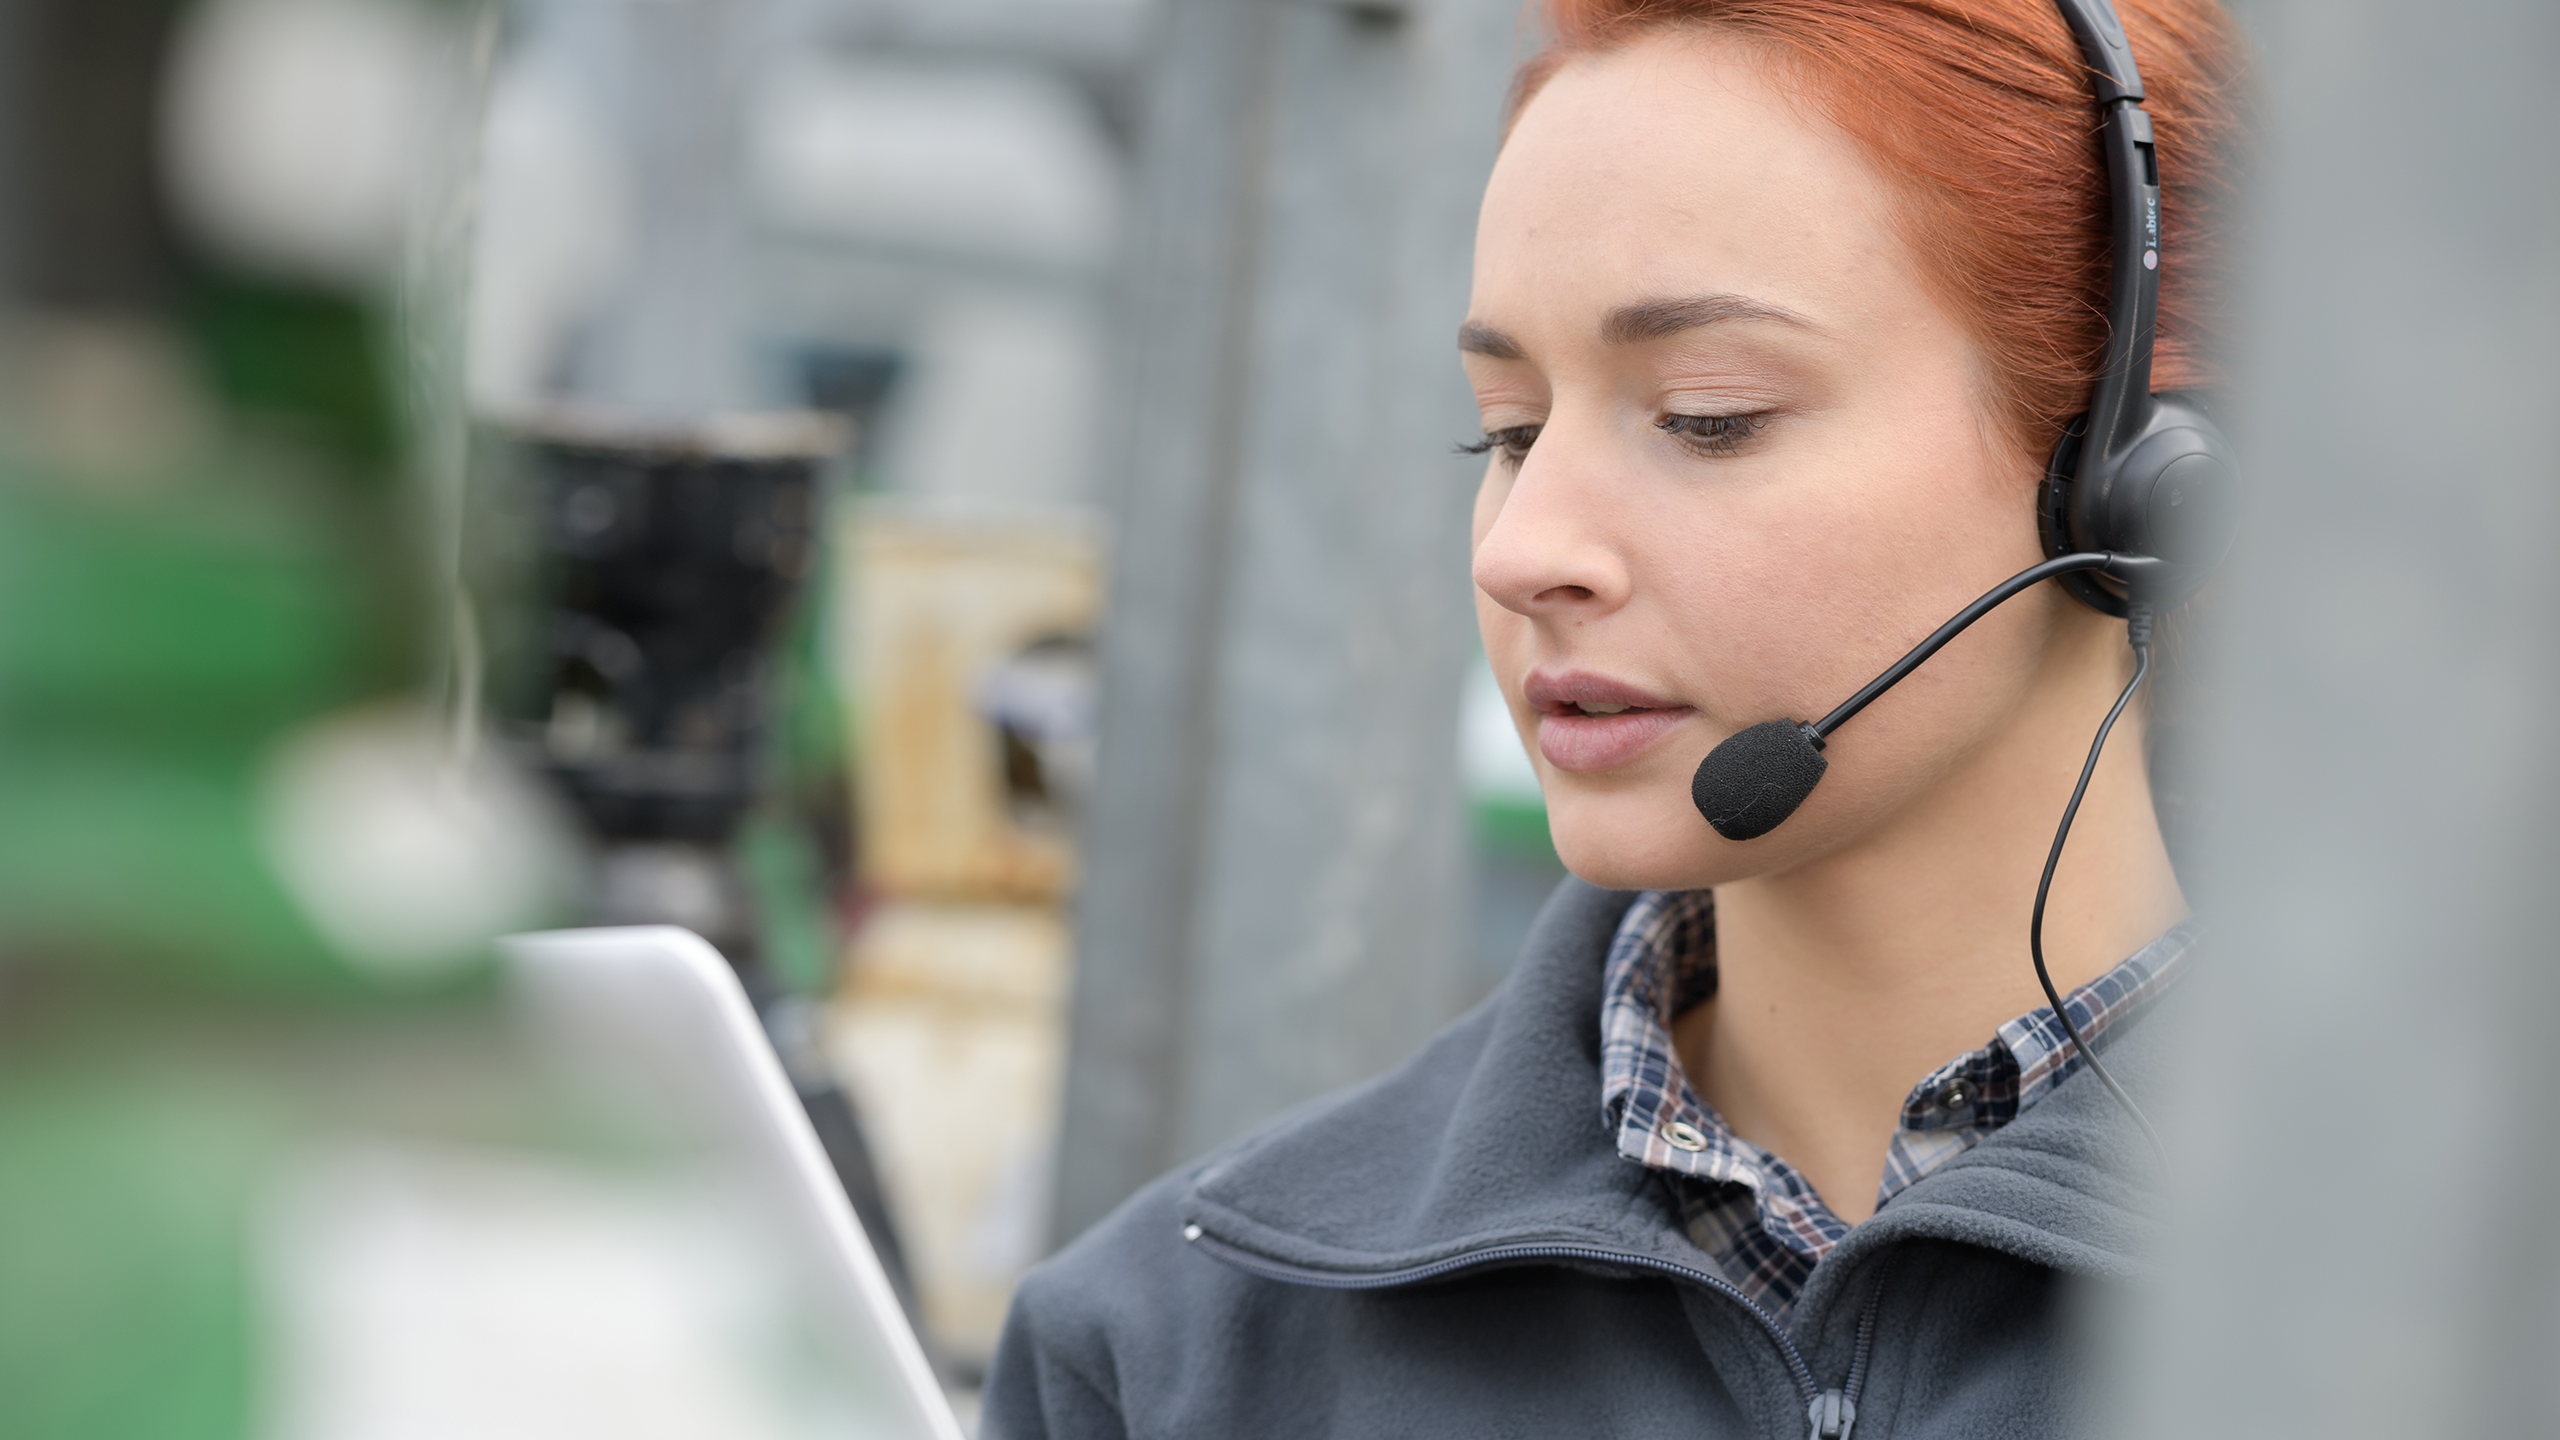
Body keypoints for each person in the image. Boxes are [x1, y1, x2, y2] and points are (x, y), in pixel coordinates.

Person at [984, 0, 2245, 1434]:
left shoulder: (2431, 1304)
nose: (1523, 549)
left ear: (2138, 483)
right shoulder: (1177, 1346)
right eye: (1509, 431)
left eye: (1708, 415)